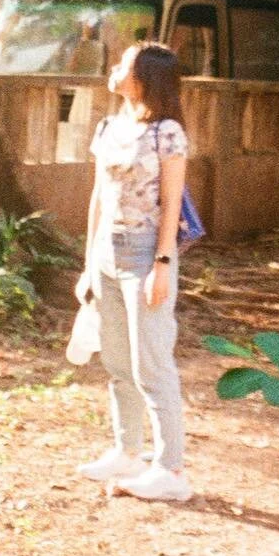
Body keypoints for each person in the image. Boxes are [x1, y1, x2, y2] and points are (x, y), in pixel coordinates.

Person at [76, 41, 191, 502]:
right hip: (106, 252)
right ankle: (127, 451)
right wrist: (88, 263)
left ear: (144, 78)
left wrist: (162, 265)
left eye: (124, 64)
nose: (115, 68)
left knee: (152, 364)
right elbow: (98, 199)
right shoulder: (107, 128)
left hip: (145, 254)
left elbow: (172, 204)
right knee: (118, 361)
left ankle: (171, 469)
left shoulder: (167, 133)